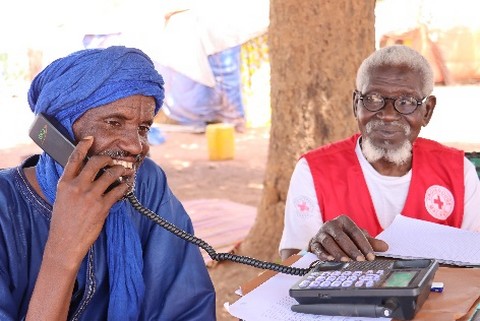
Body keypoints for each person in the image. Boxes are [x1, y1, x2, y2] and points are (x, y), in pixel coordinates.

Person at [0, 46, 215, 320]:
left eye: (143, 128)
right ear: (60, 130)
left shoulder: (145, 184)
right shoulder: (5, 209)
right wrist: (64, 248)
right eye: (113, 123)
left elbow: (186, 307)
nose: (136, 146)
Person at [279, 45, 480, 262]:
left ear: (427, 111)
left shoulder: (459, 172)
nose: (388, 115)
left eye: (406, 102)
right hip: (346, 297)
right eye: (374, 99)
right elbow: (291, 262)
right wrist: (315, 246)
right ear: (356, 105)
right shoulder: (313, 171)